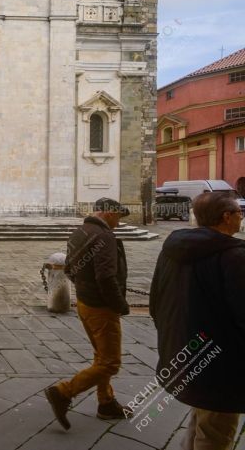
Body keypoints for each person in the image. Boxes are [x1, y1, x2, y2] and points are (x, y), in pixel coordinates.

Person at [150, 192, 244, 450]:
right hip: (223, 366)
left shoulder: (171, 250)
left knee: (201, 421)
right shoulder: (234, 256)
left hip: (186, 356)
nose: (241, 217)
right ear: (226, 217)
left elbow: (155, 302)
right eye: (239, 212)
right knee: (215, 433)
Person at [45, 197, 131, 430]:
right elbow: (105, 277)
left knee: (101, 356)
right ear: (109, 214)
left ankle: (106, 403)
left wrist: (84, 289)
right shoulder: (105, 237)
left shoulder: (79, 232)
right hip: (101, 307)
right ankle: (63, 392)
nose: (119, 222)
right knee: (111, 363)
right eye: (118, 217)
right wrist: (119, 304)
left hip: (84, 303)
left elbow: (70, 269)